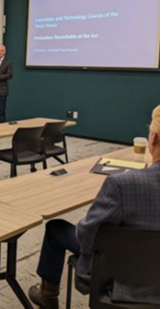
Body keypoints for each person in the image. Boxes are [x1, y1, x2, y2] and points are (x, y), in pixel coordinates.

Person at [28, 106, 161, 309]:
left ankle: (48, 297)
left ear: (153, 138)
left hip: (118, 281)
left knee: (56, 227)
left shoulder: (122, 185)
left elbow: (86, 235)